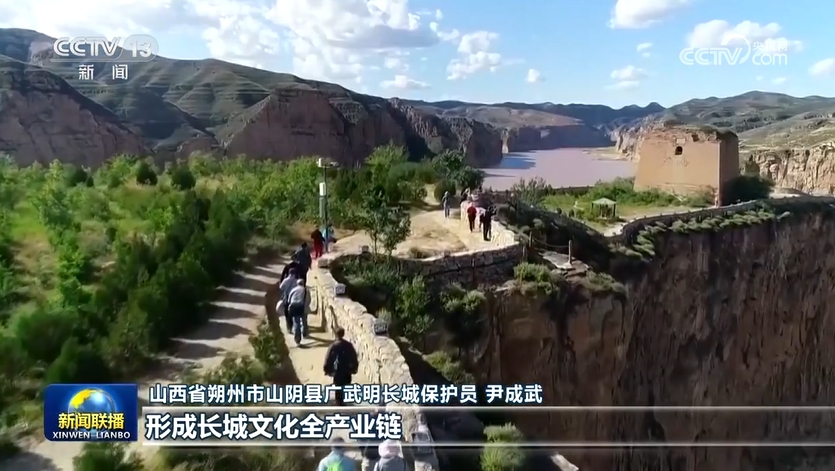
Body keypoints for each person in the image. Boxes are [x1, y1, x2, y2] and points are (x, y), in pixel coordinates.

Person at [324, 327, 358, 406]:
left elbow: (328, 358)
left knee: (338, 387)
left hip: (337, 371)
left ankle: (339, 403)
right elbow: (354, 357)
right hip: (347, 370)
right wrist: (354, 368)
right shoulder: (349, 345)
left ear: (336, 335)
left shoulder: (333, 346)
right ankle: (344, 401)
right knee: (346, 385)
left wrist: (327, 369)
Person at [287, 278, 308, 345]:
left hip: (293, 306)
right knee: (304, 320)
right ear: (303, 283)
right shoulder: (305, 290)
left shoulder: (293, 290)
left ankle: (297, 340)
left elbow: (289, 300)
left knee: (296, 323)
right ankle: (305, 334)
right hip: (301, 306)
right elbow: (308, 300)